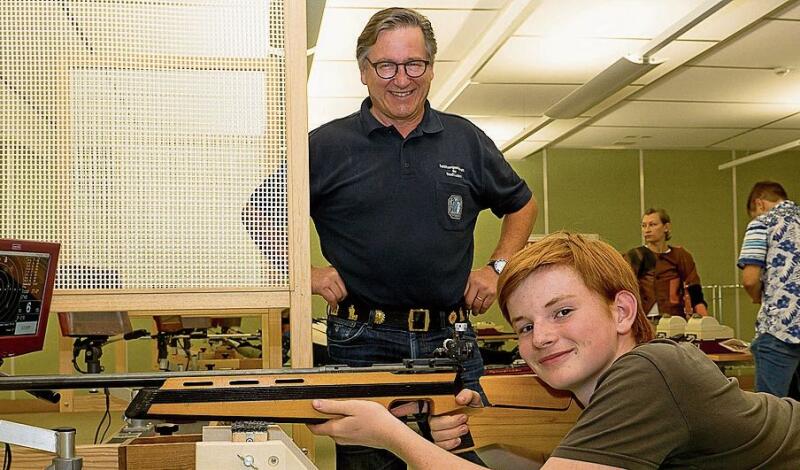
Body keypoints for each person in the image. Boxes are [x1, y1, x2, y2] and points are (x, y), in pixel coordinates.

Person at [249, 7, 537, 468]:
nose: (401, 79)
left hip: (451, 338)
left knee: (460, 461)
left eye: (414, 64)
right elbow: (260, 214)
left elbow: (522, 205)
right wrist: (306, 273)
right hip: (361, 339)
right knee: (369, 461)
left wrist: (497, 268)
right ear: (364, 71)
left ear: (430, 68)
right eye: (386, 65)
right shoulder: (325, 146)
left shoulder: (465, 140)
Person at [308, 232, 800, 469]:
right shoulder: (602, 385)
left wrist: (393, 436)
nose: (539, 337)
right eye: (523, 325)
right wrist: (479, 419)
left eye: (562, 311)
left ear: (624, 311)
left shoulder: (652, 368)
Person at [738, 181, 800, 397]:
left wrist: (756, 297)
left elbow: (750, 279)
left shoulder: (762, 223)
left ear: (759, 204)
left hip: (779, 329)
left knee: (771, 412)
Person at [624, 208, 708, 322]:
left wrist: (706, 321)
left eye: (652, 225)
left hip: (674, 319)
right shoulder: (635, 256)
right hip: (643, 320)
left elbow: (694, 290)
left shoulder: (680, 256)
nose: (647, 230)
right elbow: (624, 289)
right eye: (644, 226)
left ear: (666, 227)